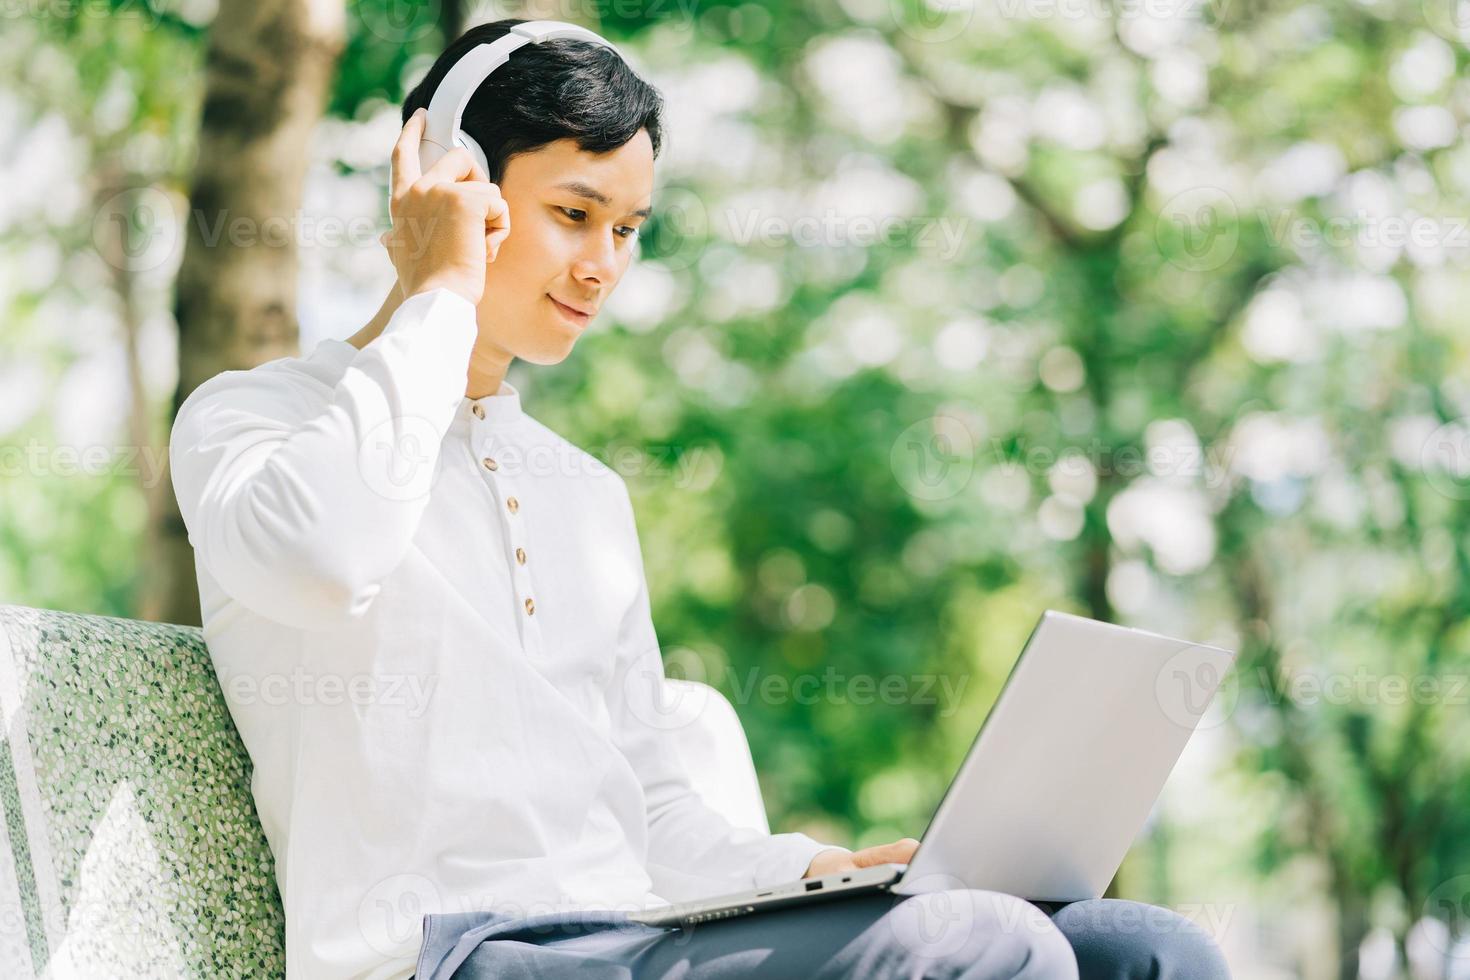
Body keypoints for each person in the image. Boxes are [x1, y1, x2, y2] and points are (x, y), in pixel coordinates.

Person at [168, 18, 1231, 980]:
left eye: (627, 229)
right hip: (446, 951)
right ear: (449, 182)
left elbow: (650, 803)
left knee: (1144, 946)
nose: (601, 266)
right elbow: (325, 557)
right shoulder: (253, 421)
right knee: (975, 945)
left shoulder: (583, 496)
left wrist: (820, 868)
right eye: (575, 214)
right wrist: (441, 287)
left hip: (628, 932)